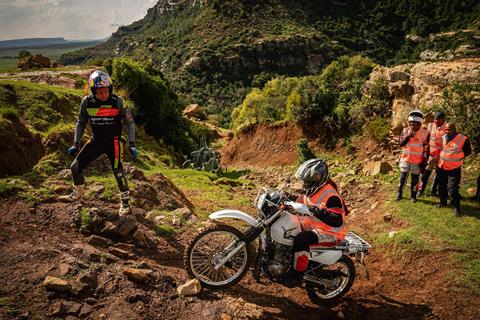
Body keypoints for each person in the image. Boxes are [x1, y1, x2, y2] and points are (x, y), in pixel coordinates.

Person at [59, 70, 137, 216]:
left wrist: (132, 144)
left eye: (106, 91)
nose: (103, 94)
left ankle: (125, 203)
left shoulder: (118, 101)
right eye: (100, 92)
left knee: (118, 172)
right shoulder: (87, 102)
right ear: (94, 91)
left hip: (114, 142)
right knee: (75, 167)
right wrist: (76, 143)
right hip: (96, 141)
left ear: (110, 89)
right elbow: (80, 123)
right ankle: (77, 193)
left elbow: (129, 123)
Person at [284, 158, 348, 286]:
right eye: (304, 181)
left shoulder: (332, 196)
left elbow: (336, 220)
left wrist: (314, 210)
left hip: (330, 233)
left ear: (318, 179)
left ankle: (298, 275)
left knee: (302, 239)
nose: (305, 184)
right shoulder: (314, 189)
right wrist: (287, 197)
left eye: (308, 181)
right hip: (313, 227)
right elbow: (304, 200)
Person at [437, 122, 472, 216]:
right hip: (442, 166)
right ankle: (443, 203)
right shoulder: (443, 137)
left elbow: (468, 151)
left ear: (454, 129)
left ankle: (457, 209)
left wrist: (459, 157)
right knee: (441, 187)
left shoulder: (463, 139)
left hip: (454, 168)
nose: (447, 131)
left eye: (450, 129)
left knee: (452, 189)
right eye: (446, 130)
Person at [396, 110, 430, 202]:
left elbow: (427, 148)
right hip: (405, 160)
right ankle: (399, 193)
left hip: (417, 161)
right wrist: (408, 137)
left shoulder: (425, 133)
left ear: (419, 124)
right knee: (402, 178)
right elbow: (401, 144)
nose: (412, 126)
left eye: (414, 124)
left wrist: (424, 162)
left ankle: (413, 196)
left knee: (415, 180)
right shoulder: (405, 130)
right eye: (410, 124)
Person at [418, 111, 446, 197]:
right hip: (431, 155)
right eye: (435, 119)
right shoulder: (430, 125)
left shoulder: (447, 128)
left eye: (438, 120)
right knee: (425, 174)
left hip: (441, 157)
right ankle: (420, 190)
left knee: (439, 175)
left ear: (443, 120)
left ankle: (433, 191)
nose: (436, 121)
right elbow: (423, 133)